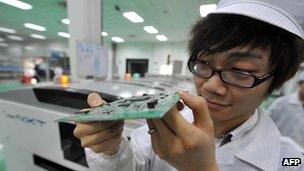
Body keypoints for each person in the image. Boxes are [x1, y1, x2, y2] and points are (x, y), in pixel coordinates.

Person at [73, 0, 304, 170]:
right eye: (204, 63)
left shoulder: (290, 160)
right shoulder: (165, 124)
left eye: (240, 72)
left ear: (277, 81)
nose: (211, 86)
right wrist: (110, 149)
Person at [268, 72, 304, 149]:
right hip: (277, 148)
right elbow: (267, 122)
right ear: (299, 84)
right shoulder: (281, 103)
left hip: (300, 153)